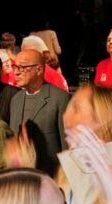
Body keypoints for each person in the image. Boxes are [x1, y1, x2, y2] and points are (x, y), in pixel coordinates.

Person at [9, 49, 70, 177]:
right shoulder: (16, 100)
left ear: (39, 69)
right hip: (22, 176)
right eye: (15, 67)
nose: (16, 72)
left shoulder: (59, 98)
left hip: (51, 176)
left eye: (22, 67)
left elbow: (67, 145)